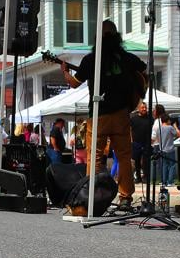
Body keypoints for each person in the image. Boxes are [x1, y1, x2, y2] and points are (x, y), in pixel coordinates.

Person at [62, 20, 147, 208]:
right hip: (121, 114)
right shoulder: (127, 58)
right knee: (124, 156)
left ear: (97, 39)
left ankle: (92, 197)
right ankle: (125, 198)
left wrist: (65, 72)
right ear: (117, 37)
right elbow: (143, 70)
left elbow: (75, 83)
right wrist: (136, 92)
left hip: (99, 113)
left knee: (95, 157)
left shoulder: (91, 59)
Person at [130, 102, 150, 183]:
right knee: (137, 162)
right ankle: (138, 177)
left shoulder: (150, 118)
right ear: (138, 109)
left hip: (147, 143)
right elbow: (129, 130)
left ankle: (146, 177)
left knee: (146, 161)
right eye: (142, 107)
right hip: (136, 143)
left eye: (145, 107)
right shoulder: (134, 119)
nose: (144, 109)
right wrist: (131, 140)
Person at [159, 113, 177, 186]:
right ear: (168, 120)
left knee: (164, 166)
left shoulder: (159, 128)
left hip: (162, 149)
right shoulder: (170, 127)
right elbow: (176, 134)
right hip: (170, 149)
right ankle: (170, 182)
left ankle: (164, 182)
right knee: (172, 165)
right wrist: (175, 126)